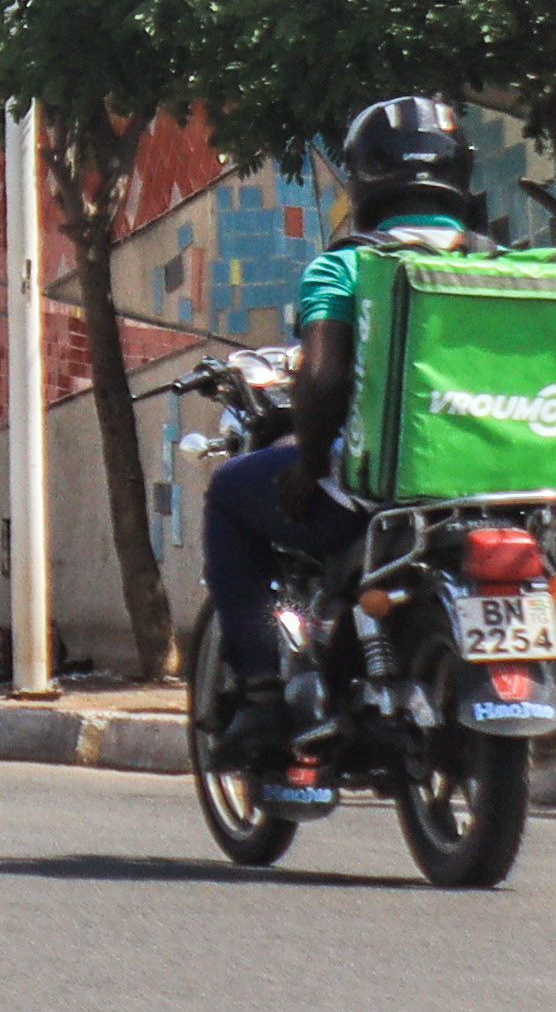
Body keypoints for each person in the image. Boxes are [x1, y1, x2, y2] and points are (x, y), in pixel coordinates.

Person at [201, 94, 479, 810]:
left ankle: (264, 691)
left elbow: (321, 378)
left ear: (366, 177)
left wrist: (307, 463)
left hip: (376, 494)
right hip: (488, 493)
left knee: (231, 492)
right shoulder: (503, 268)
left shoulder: (348, 269)